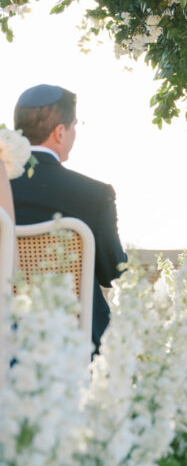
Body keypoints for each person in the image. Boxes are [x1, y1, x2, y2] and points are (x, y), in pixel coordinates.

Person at [9, 84, 127, 347]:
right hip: (77, 344)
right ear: (60, 132)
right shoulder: (94, 195)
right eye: (75, 125)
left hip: (6, 342)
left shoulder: (4, 188)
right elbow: (113, 272)